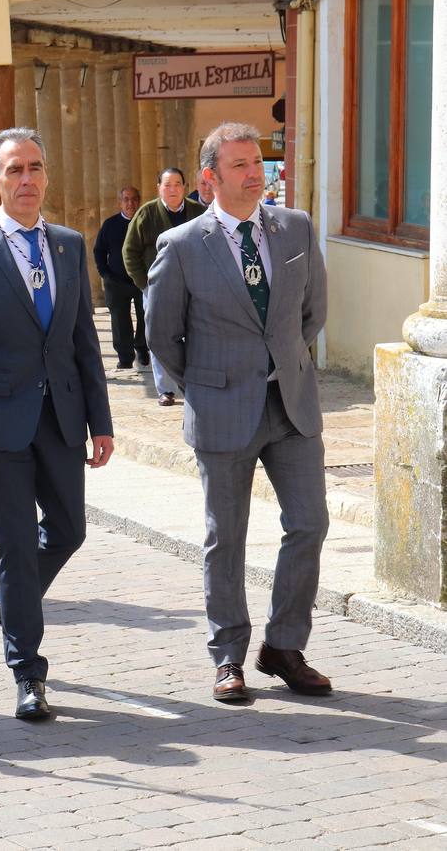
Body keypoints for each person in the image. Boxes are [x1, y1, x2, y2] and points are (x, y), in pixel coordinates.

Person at [146, 122, 332, 703]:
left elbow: (312, 312)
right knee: (225, 537)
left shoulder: (294, 227)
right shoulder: (181, 246)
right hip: (221, 407)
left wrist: (279, 363)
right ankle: (228, 656)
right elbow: (162, 335)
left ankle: (283, 646)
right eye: (241, 165)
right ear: (210, 178)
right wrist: (206, 384)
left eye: (258, 163)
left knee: (309, 523)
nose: (256, 174)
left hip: (291, 404)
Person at [0, 127, 114, 720]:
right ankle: (27, 672)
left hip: (61, 418)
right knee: (15, 546)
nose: (27, 180)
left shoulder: (68, 244)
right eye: (14, 170)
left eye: (35, 168)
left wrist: (101, 421)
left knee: (69, 530)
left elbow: (84, 342)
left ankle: (8, 602)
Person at [122, 167, 206, 406]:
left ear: (184, 186)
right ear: (159, 188)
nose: (172, 189)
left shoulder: (199, 212)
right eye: (167, 185)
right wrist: (144, 284)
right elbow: (130, 251)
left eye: (177, 184)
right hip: (157, 288)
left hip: (193, 286)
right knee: (160, 337)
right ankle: (166, 389)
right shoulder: (146, 214)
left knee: (196, 334)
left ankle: (193, 384)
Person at [92, 186, 147, 370]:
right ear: (120, 203)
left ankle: (143, 349)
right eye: (126, 199)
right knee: (119, 319)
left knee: (146, 315)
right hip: (116, 281)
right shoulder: (110, 225)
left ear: (138, 201)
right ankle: (125, 357)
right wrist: (105, 274)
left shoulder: (145, 221)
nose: (130, 203)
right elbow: (99, 251)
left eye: (133, 199)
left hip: (141, 279)